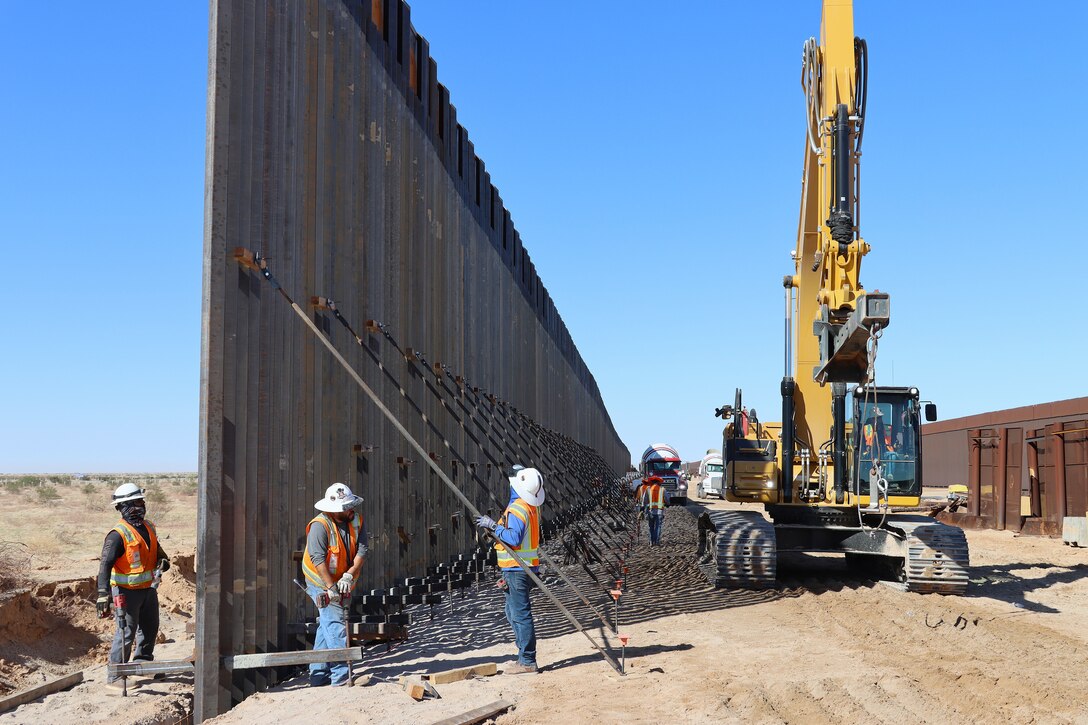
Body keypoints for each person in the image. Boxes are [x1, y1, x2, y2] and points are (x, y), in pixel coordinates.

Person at [96, 483, 170, 693]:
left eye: (142, 502)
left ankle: (142, 663)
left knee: (150, 627)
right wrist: (103, 594)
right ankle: (115, 675)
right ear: (124, 506)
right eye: (136, 502)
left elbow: (158, 552)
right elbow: (105, 565)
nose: (141, 506)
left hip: (148, 589)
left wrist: (163, 561)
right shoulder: (117, 535)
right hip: (125, 592)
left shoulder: (148, 527)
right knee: (126, 632)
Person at [475, 466, 545, 675]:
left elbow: (513, 539)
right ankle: (524, 656)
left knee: (520, 614)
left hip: (518, 570)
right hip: (519, 568)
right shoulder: (529, 507)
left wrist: (494, 527)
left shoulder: (516, 509)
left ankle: (526, 660)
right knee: (511, 612)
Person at [302, 482, 367, 687]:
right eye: (345, 507)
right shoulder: (320, 526)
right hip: (319, 581)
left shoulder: (356, 520)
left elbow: (362, 551)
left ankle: (318, 675)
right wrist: (331, 588)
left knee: (326, 626)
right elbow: (318, 560)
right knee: (335, 623)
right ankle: (341, 676)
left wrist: (348, 575)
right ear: (334, 511)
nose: (350, 510)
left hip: (341, 579)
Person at [640, 475, 670, 546]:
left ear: (652, 482)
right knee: (658, 526)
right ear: (658, 482)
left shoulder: (648, 489)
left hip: (650, 511)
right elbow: (667, 499)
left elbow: (644, 500)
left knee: (651, 526)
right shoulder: (662, 489)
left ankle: (651, 541)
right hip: (659, 511)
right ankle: (656, 541)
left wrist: (642, 508)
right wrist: (667, 504)